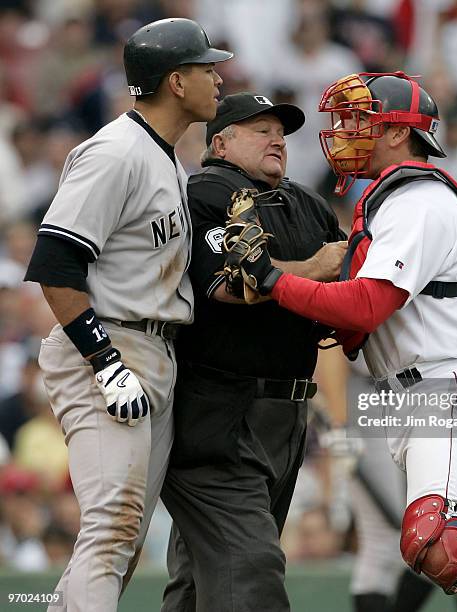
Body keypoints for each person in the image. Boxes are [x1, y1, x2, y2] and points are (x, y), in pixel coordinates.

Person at [222, 71, 457, 612]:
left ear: (399, 132)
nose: (345, 131)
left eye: (360, 119)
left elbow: (368, 304)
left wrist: (274, 280)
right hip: (419, 395)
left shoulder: (417, 197)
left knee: (433, 540)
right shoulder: (392, 199)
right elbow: (356, 326)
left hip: (443, 394)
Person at [23, 18, 232, 612]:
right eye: (205, 67)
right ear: (175, 80)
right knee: (112, 530)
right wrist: (106, 364)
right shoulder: (115, 152)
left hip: (152, 347)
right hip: (107, 346)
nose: (216, 76)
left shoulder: (163, 155)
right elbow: (55, 265)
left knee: (123, 538)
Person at [159, 92, 347, 612]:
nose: (277, 140)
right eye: (260, 129)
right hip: (221, 410)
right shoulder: (205, 193)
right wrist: (316, 268)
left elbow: (349, 278)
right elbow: (230, 283)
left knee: (202, 578)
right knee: (251, 571)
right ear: (220, 141)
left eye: (281, 132)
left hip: (287, 413)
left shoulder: (306, 202)